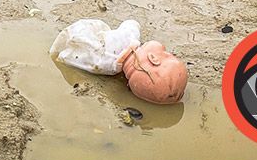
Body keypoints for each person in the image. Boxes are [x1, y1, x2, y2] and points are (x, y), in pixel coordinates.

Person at [50, 19, 188, 105]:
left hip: (80, 34)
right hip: (87, 57)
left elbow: (131, 23)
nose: (166, 50)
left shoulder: (129, 37)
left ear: (153, 59)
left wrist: (133, 23)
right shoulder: (109, 68)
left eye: (167, 54)